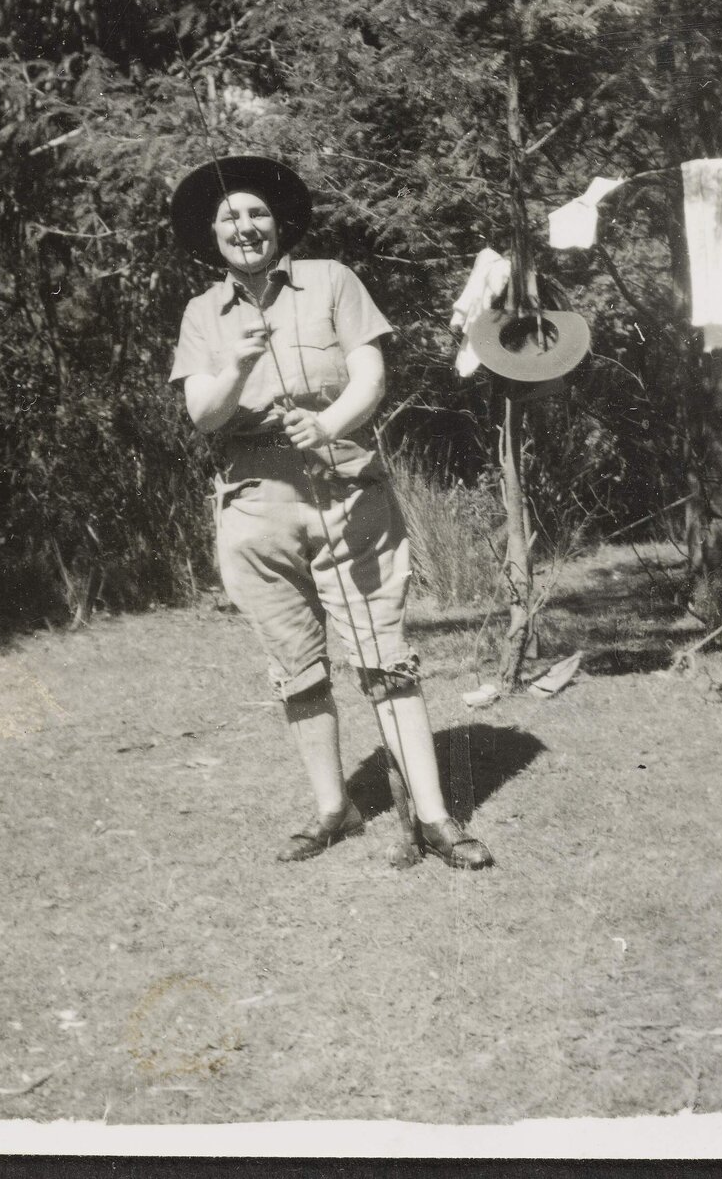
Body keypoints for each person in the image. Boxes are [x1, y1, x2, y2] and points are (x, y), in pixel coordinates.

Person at [169, 154, 493, 870]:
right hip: (254, 510)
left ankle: (437, 818)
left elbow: (372, 375)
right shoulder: (202, 313)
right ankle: (333, 809)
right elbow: (203, 413)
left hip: (347, 494)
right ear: (213, 234)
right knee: (297, 668)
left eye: (256, 213)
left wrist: (331, 424)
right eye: (230, 218)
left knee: (384, 657)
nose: (246, 227)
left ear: (280, 223)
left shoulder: (333, 281)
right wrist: (240, 365)